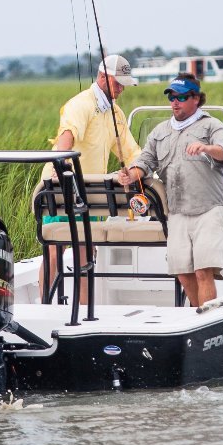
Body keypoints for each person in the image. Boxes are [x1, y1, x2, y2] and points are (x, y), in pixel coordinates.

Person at [116, 73, 223, 307]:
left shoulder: (212, 125)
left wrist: (207, 148)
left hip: (209, 210)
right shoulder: (160, 131)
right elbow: (145, 161)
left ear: (196, 99)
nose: (175, 102)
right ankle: (198, 312)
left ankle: (206, 318)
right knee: (183, 273)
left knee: (203, 271)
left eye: (181, 97)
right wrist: (131, 174)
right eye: (171, 97)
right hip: (177, 212)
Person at [40, 54, 142, 301]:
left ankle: (85, 308)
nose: (121, 89)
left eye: (124, 84)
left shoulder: (116, 113)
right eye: (118, 83)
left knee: (86, 251)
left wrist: (142, 169)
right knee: (54, 249)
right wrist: (62, 164)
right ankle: (44, 303)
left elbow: (131, 152)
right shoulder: (80, 104)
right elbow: (68, 134)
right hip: (61, 185)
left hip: (92, 191)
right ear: (103, 77)